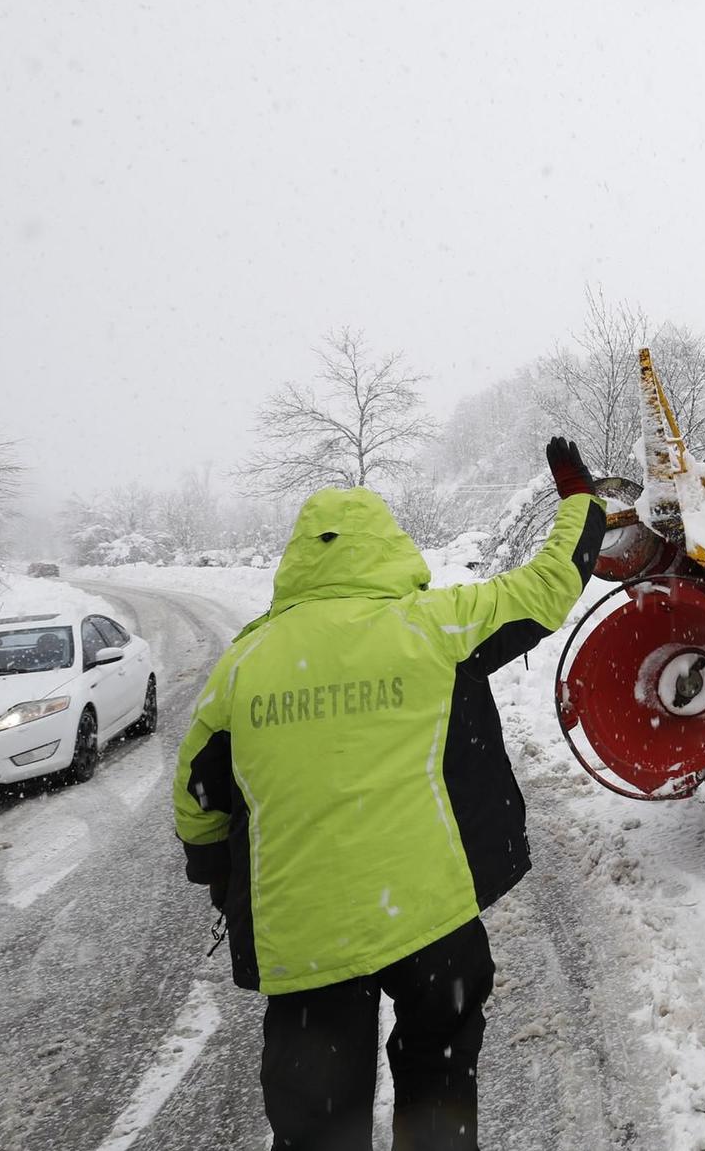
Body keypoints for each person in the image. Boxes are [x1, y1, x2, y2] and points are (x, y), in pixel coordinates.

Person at [172, 438, 607, 1151]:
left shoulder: (242, 666)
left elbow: (195, 800)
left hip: (306, 937)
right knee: (438, 1086)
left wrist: (221, 875)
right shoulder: (436, 625)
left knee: (319, 1125)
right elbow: (549, 585)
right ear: (389, 547)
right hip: (428, 919)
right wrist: (581, 503)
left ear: (299, 559)